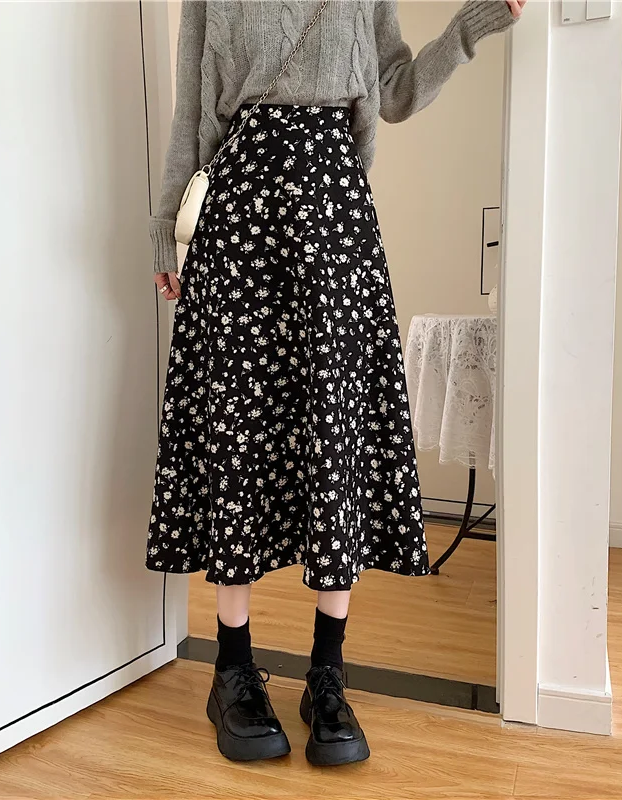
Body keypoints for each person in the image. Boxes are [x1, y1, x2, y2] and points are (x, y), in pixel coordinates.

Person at [147, 0, 524, 766]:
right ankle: (232, 667)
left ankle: (328, 670)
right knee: (240, 430)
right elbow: (191, 110)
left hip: (338, 216)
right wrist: (165, 227)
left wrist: (472, 26)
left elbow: (397, 89)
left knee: (336, 425)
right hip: (240, 219)